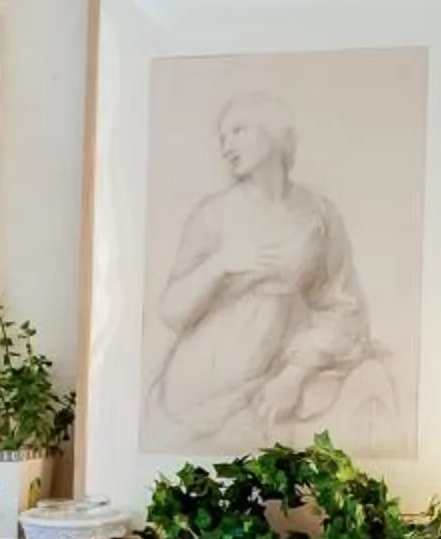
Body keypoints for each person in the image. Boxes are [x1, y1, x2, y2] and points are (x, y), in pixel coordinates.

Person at [145, 92, 403, 453]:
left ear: (274, 133)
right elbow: (172, 311)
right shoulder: (214, 215)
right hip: (204, 384)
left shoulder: (318, 215)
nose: (226, 146)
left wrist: (294, 375)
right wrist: (221, 263)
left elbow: (343, 306)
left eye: (238, 131)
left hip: (279, 371)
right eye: (222, 137)